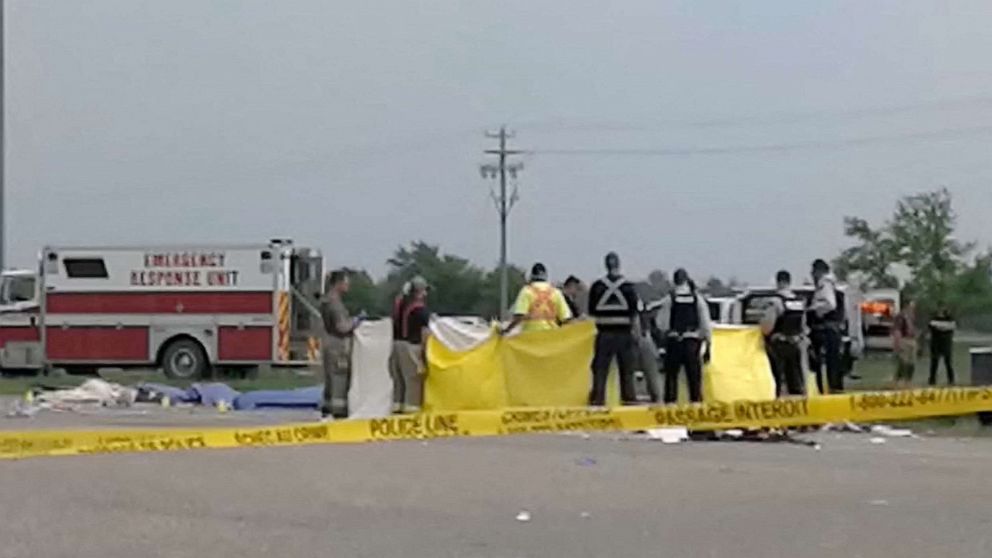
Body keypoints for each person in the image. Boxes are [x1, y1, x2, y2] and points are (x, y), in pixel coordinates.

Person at [587, 252, 641, 406]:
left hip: (604, 334)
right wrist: (637, 335)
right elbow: (634, 314)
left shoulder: (597, 287)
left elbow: (592, 313)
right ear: (619, 264)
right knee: (627, 370)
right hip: (624, 334)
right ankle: (629, 400)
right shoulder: (628, 287)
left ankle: (598, 400)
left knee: (600, 370)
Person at [656, 269, 712, 404]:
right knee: (694, 380)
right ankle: (696, 407)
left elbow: (662, 324)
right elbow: (705, 324)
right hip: (692, 342)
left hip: (674, 342)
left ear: (674, 281)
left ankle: (670, 409)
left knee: (671, 379)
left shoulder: (670, 298)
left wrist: (662, 343)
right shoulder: (697, 298)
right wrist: (708, 344)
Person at [320, 269, 360, 419]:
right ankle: (338, 411)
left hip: (328, 341)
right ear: (338, 283)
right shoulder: (335, 303)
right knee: (339, 378)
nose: (348, 286)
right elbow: (342, 327)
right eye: (346, 283)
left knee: (330, 378)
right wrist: (356, 322)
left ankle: (326, 408)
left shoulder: (326, 300)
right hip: (337, 344)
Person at [760, 270, 806, 397]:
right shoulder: (798, 301)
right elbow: (803, 325)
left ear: (778, 282)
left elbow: (767, 326)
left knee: (778, 378)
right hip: (795, 343)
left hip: (779, 344)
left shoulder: (775, 301)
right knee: (796, 377)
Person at [502, 263, 572, 334]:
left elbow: (519, 316)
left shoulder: (526, 291)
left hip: (531, 337)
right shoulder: (556, 292)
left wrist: (507, 330)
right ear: (546, 276)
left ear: (532, 276)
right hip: (551, 337)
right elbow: (566, 319)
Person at [395, 276, 431, 413]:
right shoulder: (420, 310)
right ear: (419, 291)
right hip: (412, 346)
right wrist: (424, 353)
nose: (425, 294)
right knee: (413, 381)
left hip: (397, 345)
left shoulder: (401, 304)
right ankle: (411, 411)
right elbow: (425, 333)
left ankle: (396, 408)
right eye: (424, 291)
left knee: (399, 381)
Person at [808, 259, 843, 394]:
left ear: (819, 271)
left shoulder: (825, 284)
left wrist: (816, 310)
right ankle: (834, 390)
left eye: (813, 272)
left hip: (826, 329)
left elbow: (830, 304)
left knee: (825, 365)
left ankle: (825, 392)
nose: (812, 275)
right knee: (834, 365)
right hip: (834, 329)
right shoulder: (835, 285)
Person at [388, 281, 412, 414]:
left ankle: (396, 406)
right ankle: (408, 409)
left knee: (398, 379)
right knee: (409, 379)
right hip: (406, 343)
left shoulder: (398, 303)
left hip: (395, 342)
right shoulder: (411, 306)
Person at [928, 303, 957, 385]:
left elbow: (952, 326)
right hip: (935, 344)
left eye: (943, 308)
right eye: (939, 308)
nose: (940, 310)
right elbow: (931, 325)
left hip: (946, 344)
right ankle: (932, 380)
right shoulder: (933, 317)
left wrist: (940, 327)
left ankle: (951, 380)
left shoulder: (950, 318)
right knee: (934, 362)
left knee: (948, 362)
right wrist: (944, 328)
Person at [892, 299, 917, 388]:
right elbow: (897, 330)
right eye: (911, 305)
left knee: (912, 363)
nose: (913, 308)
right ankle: (897, 381)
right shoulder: (900, 316)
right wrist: (897, 343)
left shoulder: (912, 316)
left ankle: (908, 381)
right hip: (904, 339)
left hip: (912, 340)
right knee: (903, 362)